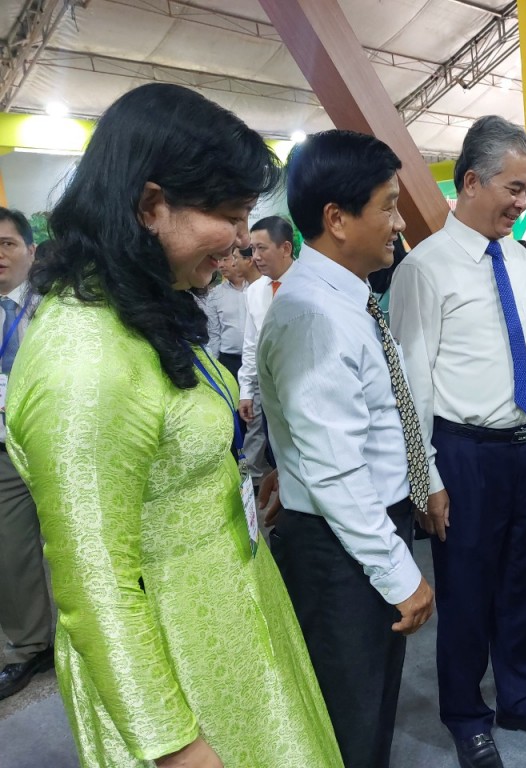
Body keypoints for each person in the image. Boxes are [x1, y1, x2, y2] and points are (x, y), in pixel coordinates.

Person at [5, 83, 343, 768]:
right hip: (177, 661)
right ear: (151, 205)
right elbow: (93, 588)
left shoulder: (139, 303)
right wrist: (174, 744)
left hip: (227, 614)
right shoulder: (83, 359)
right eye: (232, 214)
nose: (245, 239)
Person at [391, 115, 526, 768]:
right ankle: (467, 714)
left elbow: (525, 348)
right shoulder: (423, 269)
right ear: (470, 182)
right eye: (515, 188)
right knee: (468, 590)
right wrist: (427, 481)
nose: (524, 203)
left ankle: (522, 699)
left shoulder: (516, 256)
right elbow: (411, 384)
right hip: (465, 454)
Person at [259, 129, 435, 768]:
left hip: (362, 526)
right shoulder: (315, 315)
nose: (397, 221)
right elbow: (335, 471)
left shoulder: (345, 297)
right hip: (343, 542)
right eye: (387, 205)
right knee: (348, 718)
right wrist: (397, 572)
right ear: (336, 219)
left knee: (370, 702)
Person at [0, 208, 51, 701]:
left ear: (31, 251)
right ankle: (30, 645)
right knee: (12, 547)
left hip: (56, 442)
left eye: (7, 243)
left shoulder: (57, 305)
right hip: (3, 446)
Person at [238, 216, 294, 487]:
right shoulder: (255, 292)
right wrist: (246, 391)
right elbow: (251, 344)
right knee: (279, 446)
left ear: (285, 248)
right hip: (270, 388)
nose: (255, 257)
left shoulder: (309, 285)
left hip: (305, 385)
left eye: (262, 249)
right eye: (252, 249)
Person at [203, 248, 248, 380]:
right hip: (229, 360)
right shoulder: (215, 295)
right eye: (218, 261)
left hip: (256, 357)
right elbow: (214, 333)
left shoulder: (257, 288)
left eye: (225, 260)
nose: (221, 265)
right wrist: (215, 364)